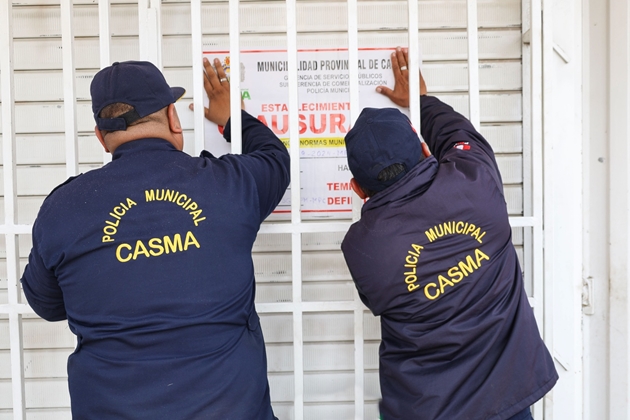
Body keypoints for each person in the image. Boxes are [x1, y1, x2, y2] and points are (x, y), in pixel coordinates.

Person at [20, 58, 289, 419]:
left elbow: (46, 303)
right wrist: (231, 117)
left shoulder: (63, 209)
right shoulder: (230, 184)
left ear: (101, 137)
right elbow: (275, 159)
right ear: (173, 118)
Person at [340, 48, 558, 420]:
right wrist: (421, 101)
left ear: (357, 189)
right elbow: (457, 133)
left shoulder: (361, 247)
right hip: (507, 398)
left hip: (424, 408)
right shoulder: (474, 179)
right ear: (426, 150)